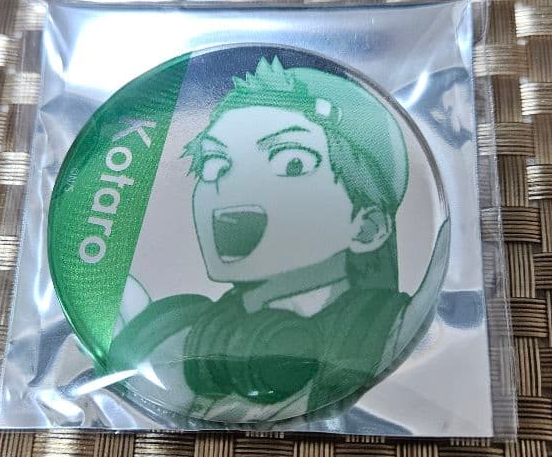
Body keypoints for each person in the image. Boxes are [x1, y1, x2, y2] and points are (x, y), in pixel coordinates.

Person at [107, 56, 446, 424]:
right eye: (215, 163)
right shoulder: (168, 339)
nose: (230, 185)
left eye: (292, 163)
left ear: (367, 227)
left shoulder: (390, 336)